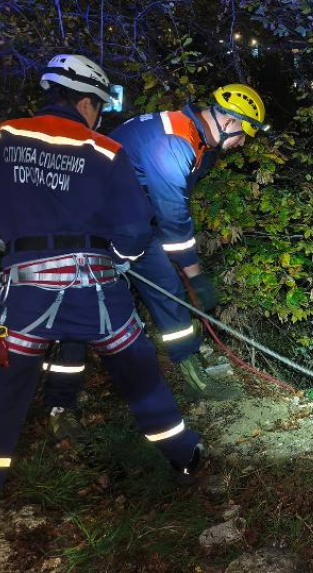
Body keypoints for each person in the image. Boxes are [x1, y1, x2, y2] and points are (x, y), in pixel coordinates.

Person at [0, 54, 204, 571]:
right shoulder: (104, 150)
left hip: (24, 293)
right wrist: (120, 259)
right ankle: (185, 458)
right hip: (96, 291)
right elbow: (135, 229)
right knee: (141, 376)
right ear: (89, 102)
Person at [42, 84, 267, 434]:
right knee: (82, 305)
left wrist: (179, 267)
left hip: (131, 226)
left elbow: (159, 205)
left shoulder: (196, 140)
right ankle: (60, 404)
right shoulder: (174, 142)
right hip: (87, 221)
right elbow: (174, 217)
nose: (242, 144)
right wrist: (195, 274)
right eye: (244, 135)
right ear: (228, 121)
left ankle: (193, 373)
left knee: (167, 290)